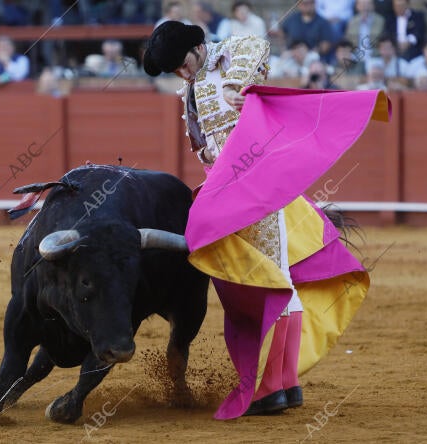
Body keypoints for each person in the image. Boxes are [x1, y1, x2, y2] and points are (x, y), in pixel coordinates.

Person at [143, 21, 389, 420]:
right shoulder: (187, 86)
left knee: (269, 278)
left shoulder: (230, 55)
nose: (182, 73)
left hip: (258, 188)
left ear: (199, 46)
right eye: (175, 71)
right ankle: (284, 384)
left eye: (183, 64)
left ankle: (274, 386)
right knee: (264, 279)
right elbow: (205, 145)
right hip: (229, 191)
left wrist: (239, 86)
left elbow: (257, 44)